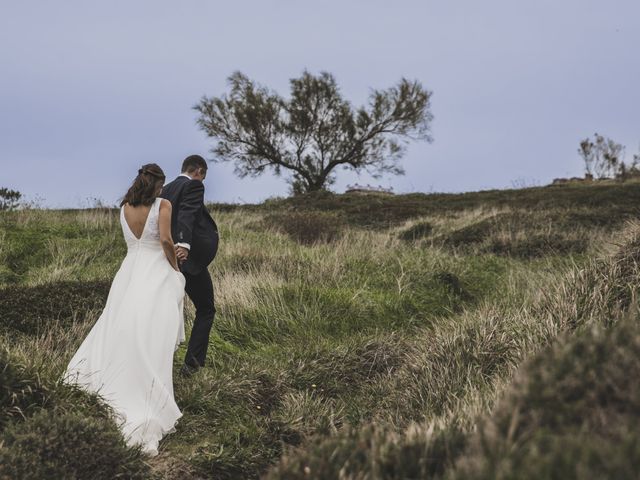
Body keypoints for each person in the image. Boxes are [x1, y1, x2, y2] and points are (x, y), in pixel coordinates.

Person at [63, 163, 186, 456]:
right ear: (157, 185)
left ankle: (114, 378)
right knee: (152, 332)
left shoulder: (124, 209)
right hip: (155, 271)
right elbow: (166, 241)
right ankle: (146, 391)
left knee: (120, 326)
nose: (162, 190)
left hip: (129, 273)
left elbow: (135, 243)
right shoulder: (163, 205)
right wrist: (175, 267)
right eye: (161, 185)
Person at [160, 154, 219, 377]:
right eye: (202, 177)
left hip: (163, 259)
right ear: (199, 172)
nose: (201, 181)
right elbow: (188, 214)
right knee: (206, 309)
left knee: (165, 310)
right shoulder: (194, 185)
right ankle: (191, 365)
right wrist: (183, 244)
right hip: (187, 261)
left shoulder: (165, 189)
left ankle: (160, 361)